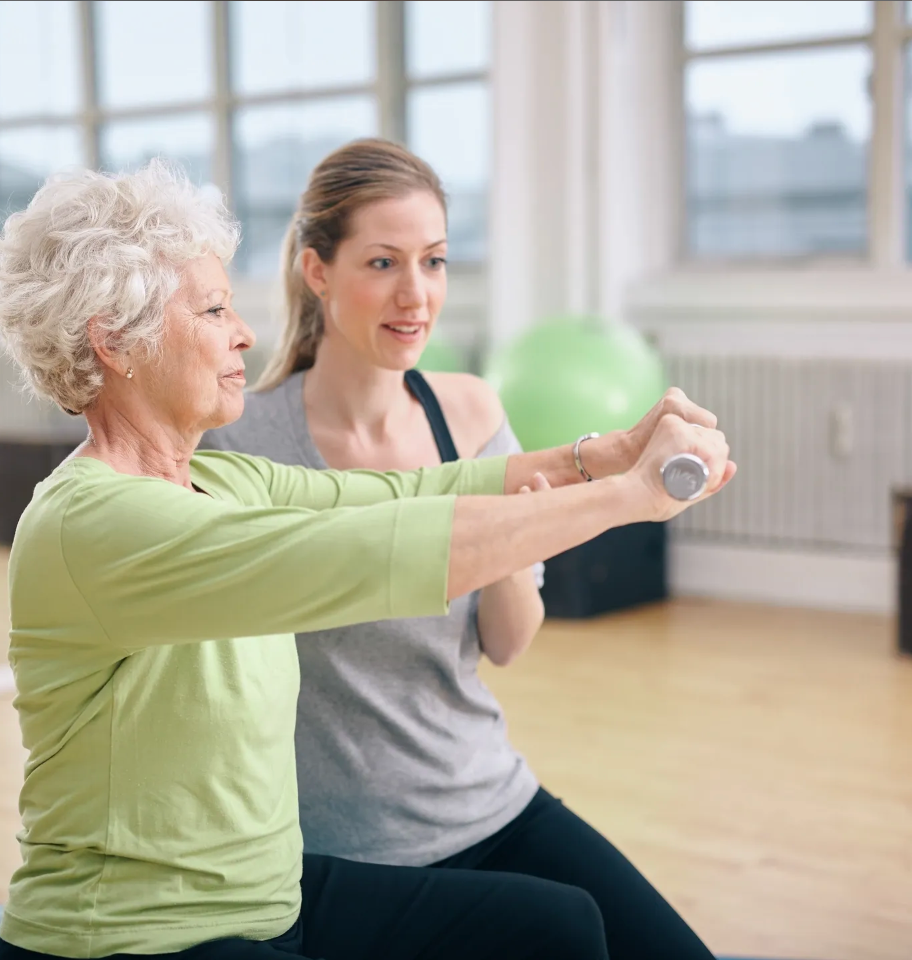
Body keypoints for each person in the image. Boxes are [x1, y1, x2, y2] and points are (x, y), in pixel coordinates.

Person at [0, 158, 734, 960]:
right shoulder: (98, 522)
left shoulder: (221, 478)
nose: (245, 331)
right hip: (135, 935)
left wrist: (611, 454)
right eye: (214, 308)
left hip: (273, 897)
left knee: (562, 926)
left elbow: (410, 496)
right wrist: (633, 499)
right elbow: (368, 553)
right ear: (116, 343)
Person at [203, 139, 722, 960]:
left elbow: (509, 643)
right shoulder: (241, 440)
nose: (416, 295)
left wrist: (516, 541)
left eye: (434, 262)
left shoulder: (470, 414)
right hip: (344, 855)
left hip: (489, 800)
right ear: (317, 270)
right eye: (382, 262)